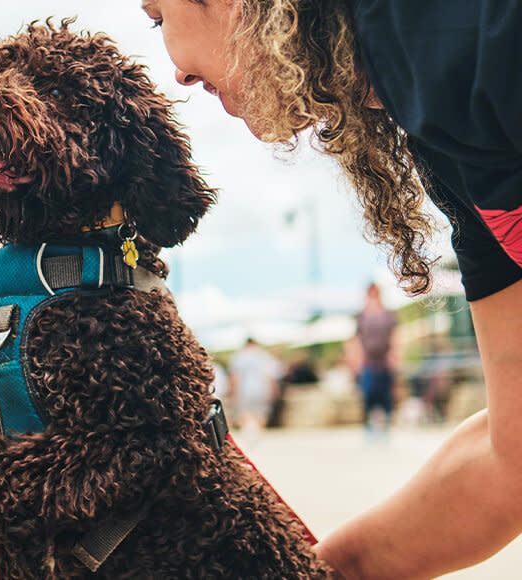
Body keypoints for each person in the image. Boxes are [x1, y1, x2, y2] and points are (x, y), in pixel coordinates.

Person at [139, 1, 522, 578]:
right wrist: (318, 572)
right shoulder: (428, 116)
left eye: (156, 14)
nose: (180, 75)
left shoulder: (452, 30)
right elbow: (511, 455)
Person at [353, 283, 399, 436]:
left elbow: (394, 336)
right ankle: (368, 428)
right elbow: (356, 340)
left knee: (386, 396)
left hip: (384, 361)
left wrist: (394, 355)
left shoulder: (388, 315)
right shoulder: (360, 316)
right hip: (368, 362)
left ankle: (386, 427)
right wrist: (356, 360)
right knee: (368, 395)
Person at [228, 337, 281, 441]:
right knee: (260, 414)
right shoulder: (264, 356)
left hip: (243, 391)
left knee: (244, 414)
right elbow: (270, 376)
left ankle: (248, 434)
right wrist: (274, 390)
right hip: (262, 390)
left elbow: (235, 377)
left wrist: (232, 391)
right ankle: (257, 435)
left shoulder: (239, 356)